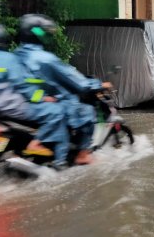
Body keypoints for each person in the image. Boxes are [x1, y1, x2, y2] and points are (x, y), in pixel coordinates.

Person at [14, 14, 110, 165]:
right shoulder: (45, 58)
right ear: (39, 34)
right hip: (47, 103)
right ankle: (82, 155)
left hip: (23, 105)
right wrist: (98, 84)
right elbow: (76, 81)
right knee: (86, 112)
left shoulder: (15, 56)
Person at [0, 22, 69, 167]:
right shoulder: (7, 58)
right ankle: (43, 149)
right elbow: (23, 86)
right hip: (15, 109)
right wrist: (42, 97)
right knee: (56, 112)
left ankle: (18, 151)